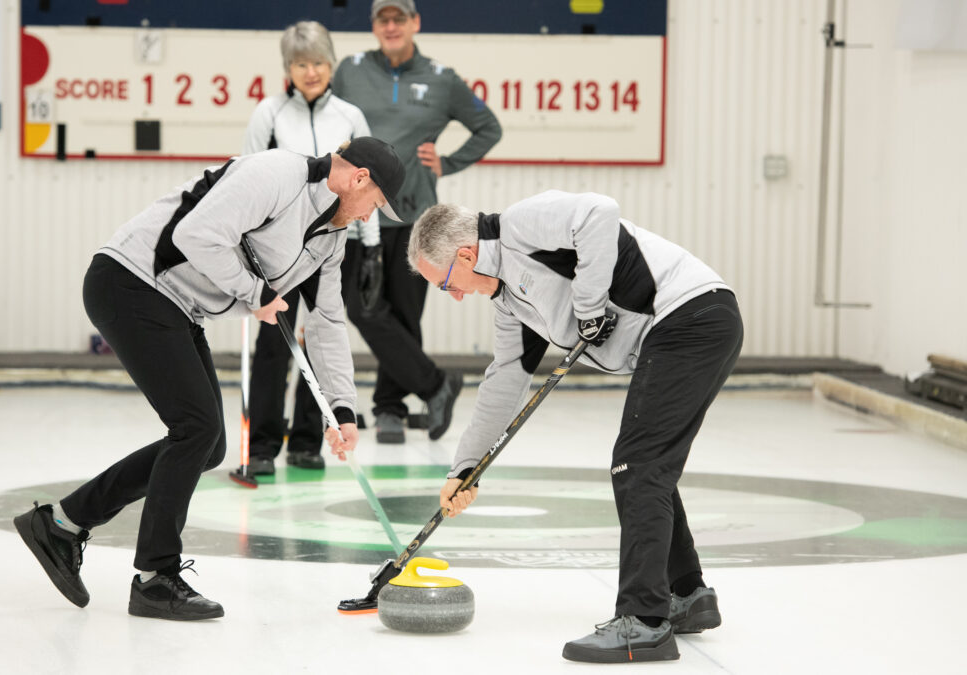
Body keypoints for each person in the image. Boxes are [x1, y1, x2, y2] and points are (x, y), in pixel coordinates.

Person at [13, 136, 405, 621]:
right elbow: (195, 235)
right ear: (359, 179)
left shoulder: (331, 238)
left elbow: (327, 322)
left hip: (178, 305)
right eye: (375, 205)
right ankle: (155, 577)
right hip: (132, 281)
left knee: (208, 443)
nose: (368, 218)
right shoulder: (278, 174)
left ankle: (62, 524)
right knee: (196, 428)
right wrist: (256, 293)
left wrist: (341, 409)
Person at [408, 191, 743, 663]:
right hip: (681, 329)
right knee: (648, 464)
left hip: (691, 316)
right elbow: (504, 382)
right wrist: (465, 469)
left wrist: (589, 307)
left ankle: (644, 622)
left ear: (465, 255)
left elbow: (598, 213)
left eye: (446, 285)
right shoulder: (510, 303)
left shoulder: (519, 227)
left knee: (639, 465)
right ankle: (687, 593)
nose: (456, 296)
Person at [332, 0, 502, 444]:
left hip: (413, 215)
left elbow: (489, 127)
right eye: (383, 19)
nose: (391, 26)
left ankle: (390, 409)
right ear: (374, 25)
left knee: (405, 315)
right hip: (359, 215)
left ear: (415, 23)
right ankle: (435, 384)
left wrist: (448, 162)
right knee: (363, 307)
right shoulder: (349, 71)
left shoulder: (441, 79)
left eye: (399, 18)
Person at [240, 21, 380, 474]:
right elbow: (246, 176)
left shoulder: (349, 116)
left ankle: (305, 440)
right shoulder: (269, 114)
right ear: (288, 68)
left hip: (335, 245)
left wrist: (372, 248)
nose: (311, 72)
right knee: (273, 343)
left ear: (331, 64)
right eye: (301, 64)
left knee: (320, 338)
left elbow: (370, 185)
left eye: (319, 62)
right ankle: (262, 445)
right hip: (278, 248)